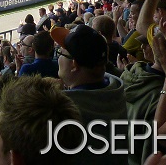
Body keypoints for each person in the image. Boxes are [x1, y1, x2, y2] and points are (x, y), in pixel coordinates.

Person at [51, 24, 128, 165]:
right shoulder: (116, 89)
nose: (58, 58)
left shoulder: (60, 112)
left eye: (60, 53)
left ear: (74, 65)